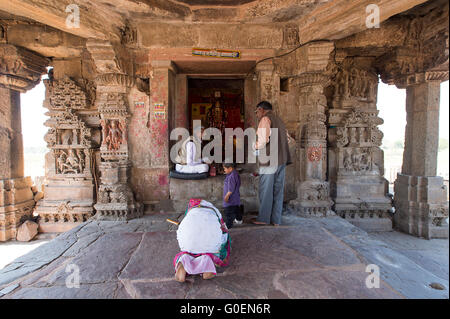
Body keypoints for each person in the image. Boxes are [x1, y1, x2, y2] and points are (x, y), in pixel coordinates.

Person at [252, 101, 292, 226]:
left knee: (266, 190)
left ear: (261, 109)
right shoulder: (279, 121)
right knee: (278, 191)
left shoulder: (265, 119)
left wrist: (255, 146)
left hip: (269, 161)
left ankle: (263, 219)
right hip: (282, 160)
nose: (256, 114)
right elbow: (289, 140)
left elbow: (263, 140)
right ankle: (276, 220)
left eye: (257, 111)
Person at [174, 199, 231, 282]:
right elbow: (224, 230)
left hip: (187, 245)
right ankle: (208, 264)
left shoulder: (190, 213)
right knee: (216, 246)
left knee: (187, 251)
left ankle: (184, 261)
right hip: (209, 246)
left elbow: (179, 234)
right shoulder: (215, 211)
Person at [222, 162, 242, 229]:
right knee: (236, 209)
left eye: (224, 169)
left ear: (230, 168)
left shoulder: (231, 176)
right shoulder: (235, 173)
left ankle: (228, 225)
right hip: (236, 197)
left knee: (229, 212)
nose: (224, 170)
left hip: (231, 198)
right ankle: (239, 220)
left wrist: (227, 196)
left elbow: (231, 189)